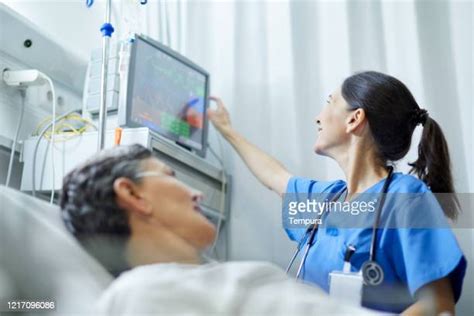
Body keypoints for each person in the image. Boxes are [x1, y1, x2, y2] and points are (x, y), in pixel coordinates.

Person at [207, 71, 467, 314]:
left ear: (354, 119)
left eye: (329, 102)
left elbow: (438, 305)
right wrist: (227, 130)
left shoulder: (405, 198)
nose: (318, 117)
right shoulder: (325, 201)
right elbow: (275, 177)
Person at [60, 144, 372, 315]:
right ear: (133, 194)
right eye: (170, 175)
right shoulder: (142, 294)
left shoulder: (208, 281)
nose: (197, 193)